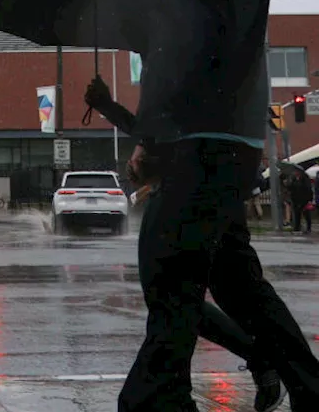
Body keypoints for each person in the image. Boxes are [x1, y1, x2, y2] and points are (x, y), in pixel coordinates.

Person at [103, 0, 319, 411]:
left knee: (168, 273)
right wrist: (152, 136)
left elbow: (216, 39)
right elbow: (176, 56)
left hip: (216, 144)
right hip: (195, 144)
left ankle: (157, 400)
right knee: (233, 285)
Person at [85, 77, 284, 411]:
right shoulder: (201, 65)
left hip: (189, 197)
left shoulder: (192, 68)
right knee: (178, 300)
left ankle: (258, 362)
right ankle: (261, 360)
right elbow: (160, 136)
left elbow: (163, 137)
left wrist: (109, 108)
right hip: (196, 193)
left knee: (172, 299)